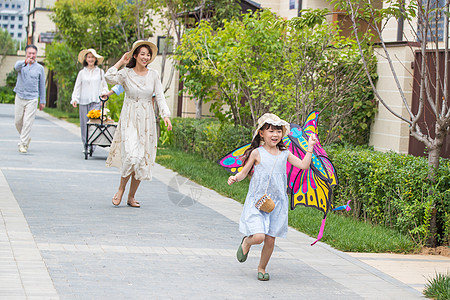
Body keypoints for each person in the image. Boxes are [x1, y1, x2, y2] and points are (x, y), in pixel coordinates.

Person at [227, 113, 317, 281]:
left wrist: (310, 146)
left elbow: (304, 165)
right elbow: (244, 172)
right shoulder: (257, 153)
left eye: (278, 131)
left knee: (269, 240)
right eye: (270, 131)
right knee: (259, 236)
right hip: (257, 202)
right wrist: (235, 178)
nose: (275, 135)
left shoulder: (285, 154)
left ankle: (262, 268)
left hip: (277, 204)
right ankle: (247, 242)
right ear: (261, 133)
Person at [105, 40, 172, 208]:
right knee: (131, 156)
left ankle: (131, 196)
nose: (145, 57)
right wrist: (122, 61)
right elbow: (108, 76)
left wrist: (165, 115)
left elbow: (160, 96)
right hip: (130, 118)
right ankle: (121, 189)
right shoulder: (126, 73)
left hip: (147, 120)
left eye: (148, 55)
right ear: (135, 55)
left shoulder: (154, 75)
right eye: (142, 54)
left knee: (141, 159)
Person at [71, 49, 110, 152]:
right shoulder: (81, 73)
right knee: (84, 124)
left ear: (95, 59)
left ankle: (92, 144)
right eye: (89, 57)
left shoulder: (100, 72)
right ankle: (86, 145)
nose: (91, 59)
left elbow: (104, 87)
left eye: (92, 57)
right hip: (84, 101)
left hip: (96, 101)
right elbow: (77, 87)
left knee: (93, 124)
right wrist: (75, 98)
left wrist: (104, 96)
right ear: (86, 59)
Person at [13, 44, 46, 153]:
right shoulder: (21, 65)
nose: (31, 55)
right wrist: (25, 62)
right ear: (26, 54)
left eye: (33, 54)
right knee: (18, 121)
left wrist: (42, 101)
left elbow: (42, 85)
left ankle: (22, 144)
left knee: (28, 122)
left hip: (32, 98)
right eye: (29, 53)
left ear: (36, 55)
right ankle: (26, 137)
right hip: (20, 96)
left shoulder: (40, 68)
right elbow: (15, 67)